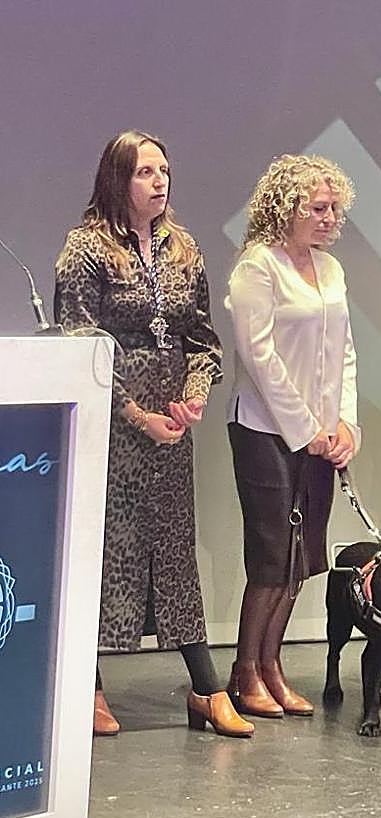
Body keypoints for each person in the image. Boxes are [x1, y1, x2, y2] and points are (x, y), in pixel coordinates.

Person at [54, 130, 252, 737]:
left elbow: (203, 339)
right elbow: (79, 343)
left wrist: (195, 394)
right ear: (117, 179)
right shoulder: (85, 249)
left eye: (163, 170)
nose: (159, 181)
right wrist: (137, 414)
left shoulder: (183, 249)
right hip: (112, 428)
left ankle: (206, 688)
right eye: (145, 172)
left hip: (172, 429)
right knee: (104, 548)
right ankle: (86, 685)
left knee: (173, 551)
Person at [225, 154, 360, 718]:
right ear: (285, 209)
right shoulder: (258, 266)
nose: (330, 219)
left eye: (335, 209)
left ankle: (271, 663)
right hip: (266, 431)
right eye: (318, 208)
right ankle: (245, 670)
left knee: (302, 556)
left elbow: (344, 352)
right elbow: (259, 358)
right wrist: (306, 430)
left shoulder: (330, 269)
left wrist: (345, 423)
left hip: (322, 437)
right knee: (271, 554)